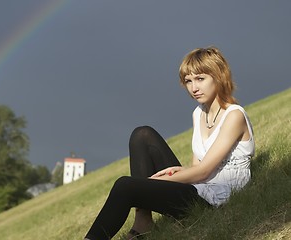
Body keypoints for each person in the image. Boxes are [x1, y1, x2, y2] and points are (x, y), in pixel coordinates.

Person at [84, 47, 255, 240]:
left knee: (126, 185)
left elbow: (204, 172)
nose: (193, 88)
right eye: (188, 81)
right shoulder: (199, 113)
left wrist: (149, 183)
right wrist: (177, 171)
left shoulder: (234, 115)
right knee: (142, 135)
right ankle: (143, 222)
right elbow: (196, 167)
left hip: (218, 197)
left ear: (219, 76)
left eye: (200, 79)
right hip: (200, 187)